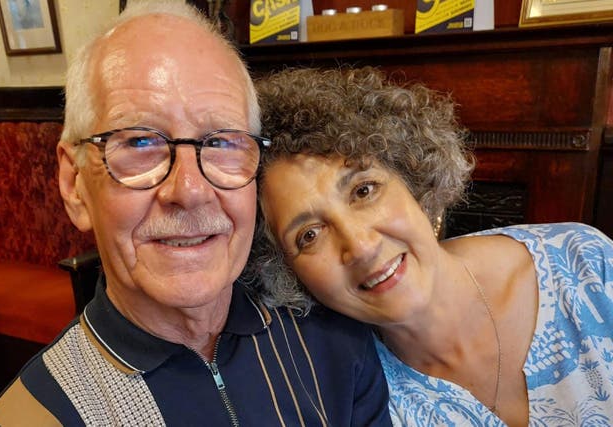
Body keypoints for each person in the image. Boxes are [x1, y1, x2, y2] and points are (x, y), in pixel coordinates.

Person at [0, 3, 392, 426]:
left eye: (222, 143)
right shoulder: (32, 417)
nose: (191, 191)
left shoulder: (335, 341)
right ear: (75, 185)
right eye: (141, 143)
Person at [250, 66, 613, 426]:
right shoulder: (347, 393)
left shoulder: (584, 264)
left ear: (415, 181)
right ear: (285, 272)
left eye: (364, 191)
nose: (360, 246)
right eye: (309, 235)